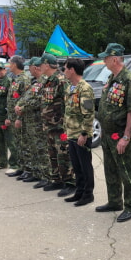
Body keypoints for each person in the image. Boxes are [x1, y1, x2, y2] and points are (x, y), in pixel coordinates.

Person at [95, 43, 131, 223]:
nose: (104, 61)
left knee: (127, 171)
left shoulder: (129, 79)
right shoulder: (112, 78)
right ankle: (114, 201)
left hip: (120, 134)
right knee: (110, 169)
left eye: (106, 58)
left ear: (114, 59)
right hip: (108, 134)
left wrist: (126, 137)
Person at [38, 53, 74, 195]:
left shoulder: (61, 80)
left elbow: (68, 103)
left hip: (59, 126)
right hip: (49, 125)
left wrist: (65, 123)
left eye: (41, 64)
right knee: (52, 154)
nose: (39, 67)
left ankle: (70, 182)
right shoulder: (48, 81)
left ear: (47, 65)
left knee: (64, 154)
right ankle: (57, 179)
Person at [62, 57, 96, 206]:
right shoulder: (70, 87)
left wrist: (84, 134)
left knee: (85, 166)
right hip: (71, 133)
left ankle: (88, 194)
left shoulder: (85, 88)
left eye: (65, 68)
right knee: (76, 166)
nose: (64, 71)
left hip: (81, 135)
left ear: (72, 70)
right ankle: (79, 191)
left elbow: (89, 113)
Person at [15, 57, 51, 188]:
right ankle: (36, 173)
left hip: (38, 121)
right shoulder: (34, 82)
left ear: (35, 67)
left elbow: (41, 100)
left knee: (41, 149)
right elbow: (26, 97)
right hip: (30, 121)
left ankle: (46, 176)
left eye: (29, 67)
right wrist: (19, 106)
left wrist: (23, 108)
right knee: (34, 148)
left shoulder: (45, 81)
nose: (28, 70)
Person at [4, 55, 31, 177]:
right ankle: (21, 166)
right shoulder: (16, 79)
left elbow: (25, 100)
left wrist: (19, 118)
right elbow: (12, 100)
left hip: (21, 118)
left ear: (14, 64)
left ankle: (28, 169)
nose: (8, 66)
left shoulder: (24, 79)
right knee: (18, 143)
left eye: (10, 63)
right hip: (13, 117)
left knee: (24, 143)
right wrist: (9, 117)